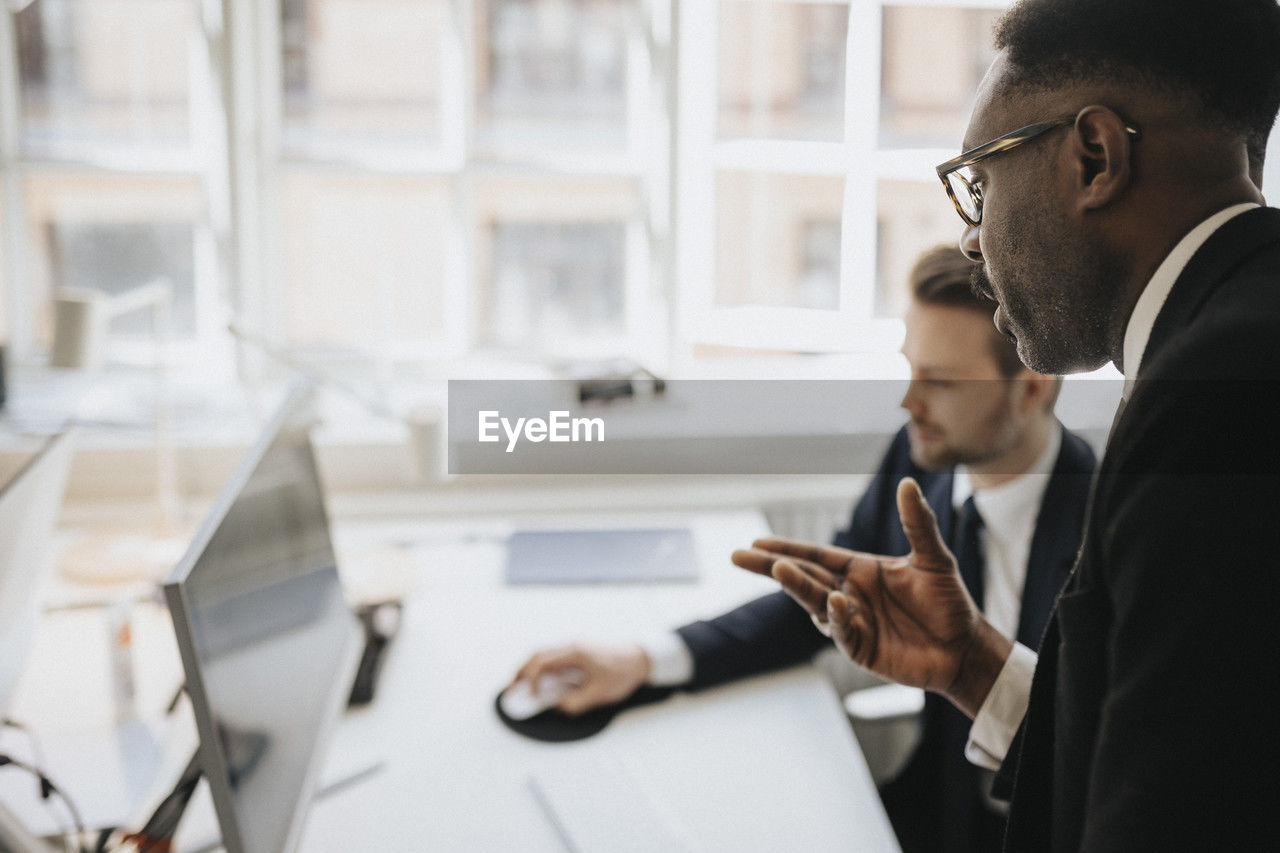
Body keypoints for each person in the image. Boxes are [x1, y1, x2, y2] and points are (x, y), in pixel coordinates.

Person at [735, 1, 1280, 849]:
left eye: (980, 183)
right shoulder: (1227, 336)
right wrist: (972, 665)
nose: (974, 239)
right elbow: (1194, 759)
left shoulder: (1213, 396)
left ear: (1094, 156)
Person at [510, 245, 1096, 853]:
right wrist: (644, 659)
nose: (908, 403)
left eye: (941, 381)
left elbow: (1105, 757)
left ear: (1031, 387)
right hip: (934, 811)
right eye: (909, 369)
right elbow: (825, 602)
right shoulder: (921, 459)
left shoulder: (1104, 531)